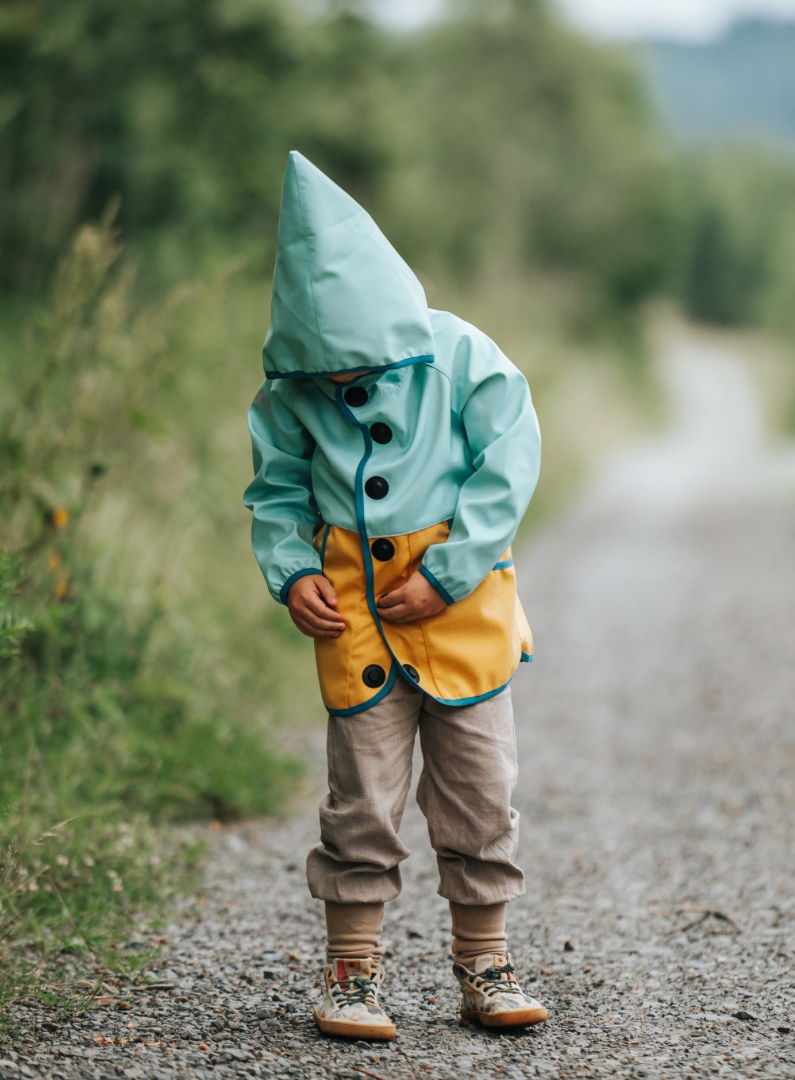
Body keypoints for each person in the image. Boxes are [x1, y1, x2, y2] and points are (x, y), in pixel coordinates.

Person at [243, 151, 547, 1040]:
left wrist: (451, 565)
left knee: (481, 792)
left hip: (461, 610)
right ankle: (351, 974)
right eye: (324, 374)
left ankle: (485, 962)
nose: (340, 388)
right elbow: (276, 495)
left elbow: (510, 458)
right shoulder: (287, 394)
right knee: (362, 799)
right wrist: (293, 572)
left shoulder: (461, 357)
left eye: (356, 370)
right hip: (354, 620)